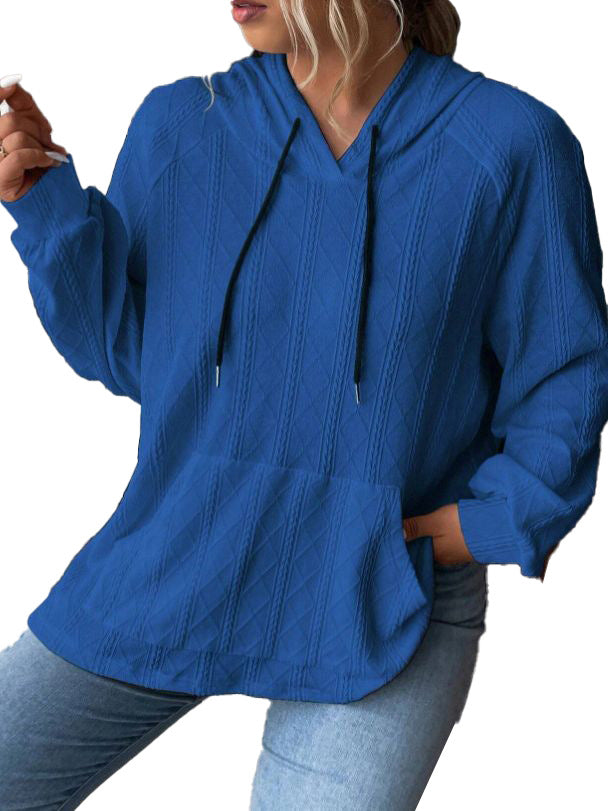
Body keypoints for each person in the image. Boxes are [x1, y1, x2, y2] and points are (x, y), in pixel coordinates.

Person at [0, 0, 605, 808]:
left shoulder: (509, 144)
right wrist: (45, 204)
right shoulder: (184, 123)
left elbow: (563, 367)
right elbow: (140, 357)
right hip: (182, 552)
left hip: (380, 591)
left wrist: (494, 520)